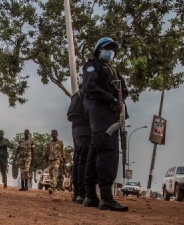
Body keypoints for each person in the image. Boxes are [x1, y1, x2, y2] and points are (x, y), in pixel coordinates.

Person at [82, 37, 129, 212]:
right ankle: (106, 198)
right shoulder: (93, 65)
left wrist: (119, 100)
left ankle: (90, 196)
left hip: (110, 114)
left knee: (95, 153)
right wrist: (111, 98)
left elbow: (124, 89)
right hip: (102, 115)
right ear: (98, 50)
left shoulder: (112, 70)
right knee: (108, 152)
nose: (110, 51)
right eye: (106, 48)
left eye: (112, 48)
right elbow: (89, 86)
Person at [67, 81, 92, 204]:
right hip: (85, 131)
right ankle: (82, 192)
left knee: (77, 161)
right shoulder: (85, 96)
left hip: (76, 132)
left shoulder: (76, 97)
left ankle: (77, 192)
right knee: (84, 160)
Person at [41, 130, 64, 194]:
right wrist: (43, 158)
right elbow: (45, 152)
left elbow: (62, 152)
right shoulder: (48, 143)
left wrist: (63, 160)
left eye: (54, 134)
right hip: (50, 160)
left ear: (57, 134)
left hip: (57, 159)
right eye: (52, 134)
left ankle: (52, 187)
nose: (53, 135)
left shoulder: (60, 143)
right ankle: (53, 188)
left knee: (55, 173)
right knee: (51, 174)